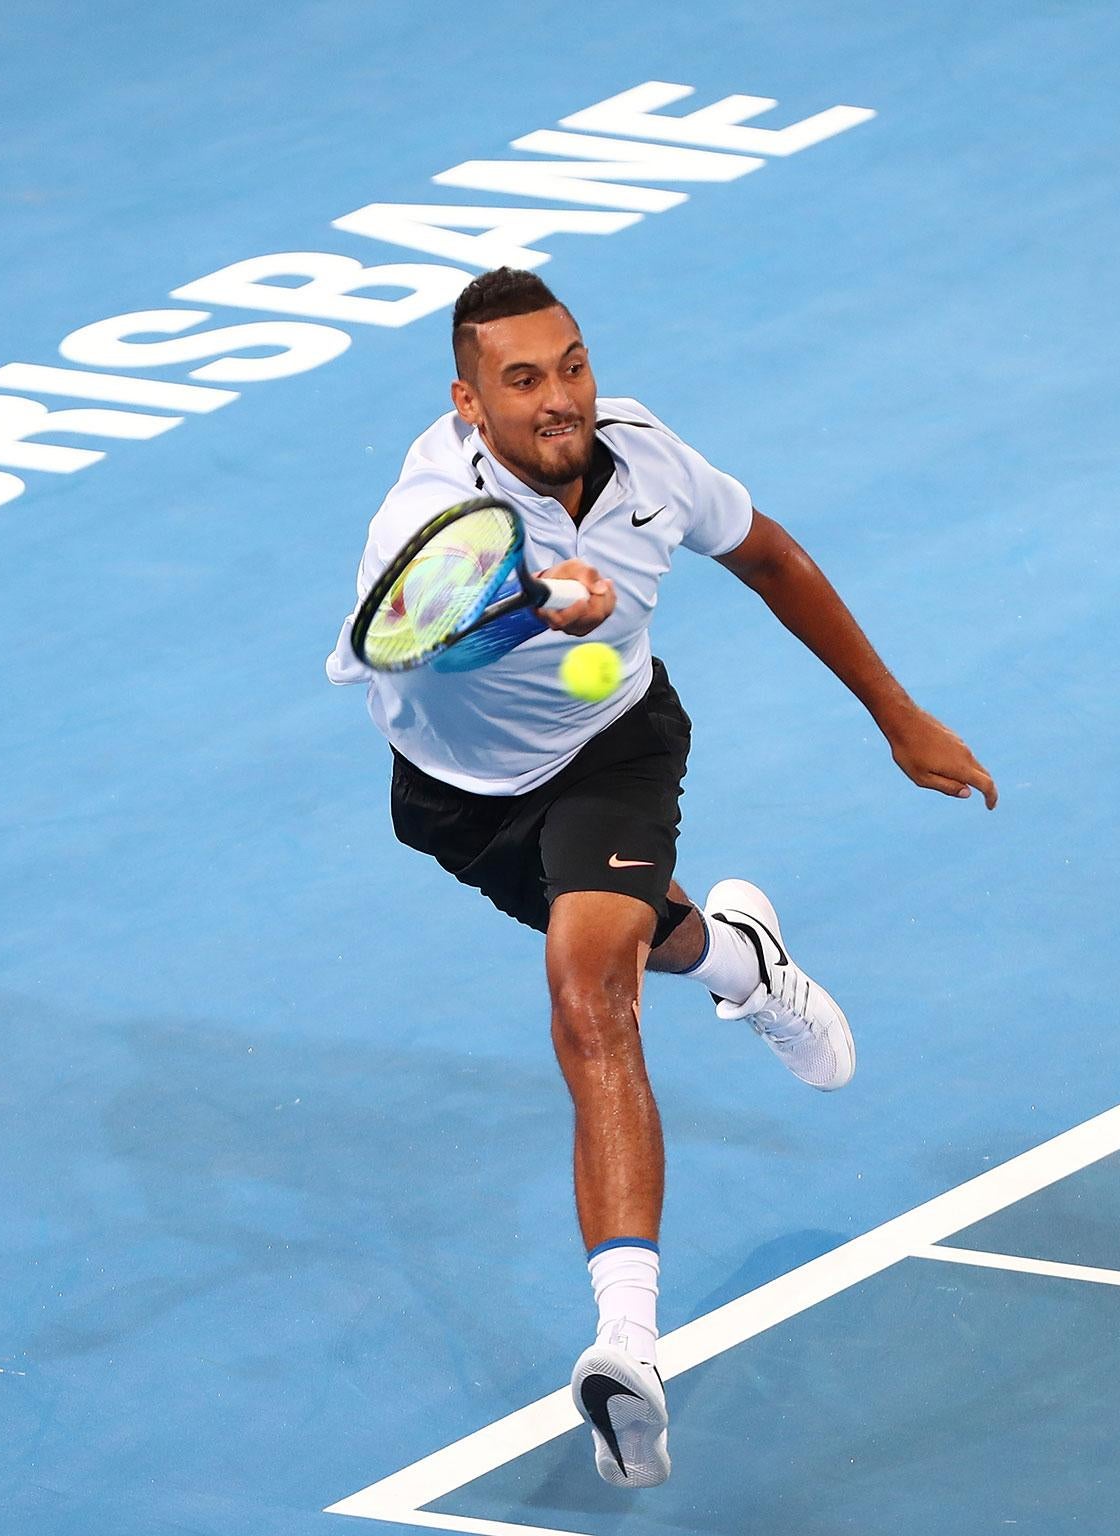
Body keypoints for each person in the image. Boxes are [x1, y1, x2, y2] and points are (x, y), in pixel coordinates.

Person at [326, 267, 994, 1488]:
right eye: (520, 379)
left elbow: (773, 559)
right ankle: (743, 957)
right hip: (456, 800)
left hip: (613, 753)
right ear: (468, 401)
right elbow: (410, 652)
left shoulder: (644, 461)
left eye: (569, 364)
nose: (558, 398)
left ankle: (624, 1347)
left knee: (591, 993)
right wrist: (534, 610)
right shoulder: (425, 514)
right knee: (659, 944)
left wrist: (895, 716)